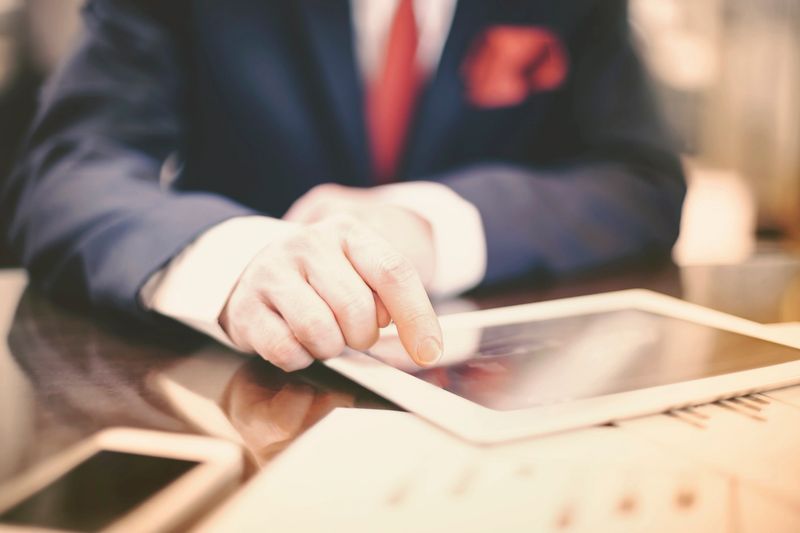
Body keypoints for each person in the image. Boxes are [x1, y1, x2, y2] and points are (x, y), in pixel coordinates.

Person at [0, 0, 685, 372]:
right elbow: (67, 172)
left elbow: (641, 178)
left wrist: (429, 226)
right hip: (239, 389)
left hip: (488, 392)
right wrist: (234, 259)